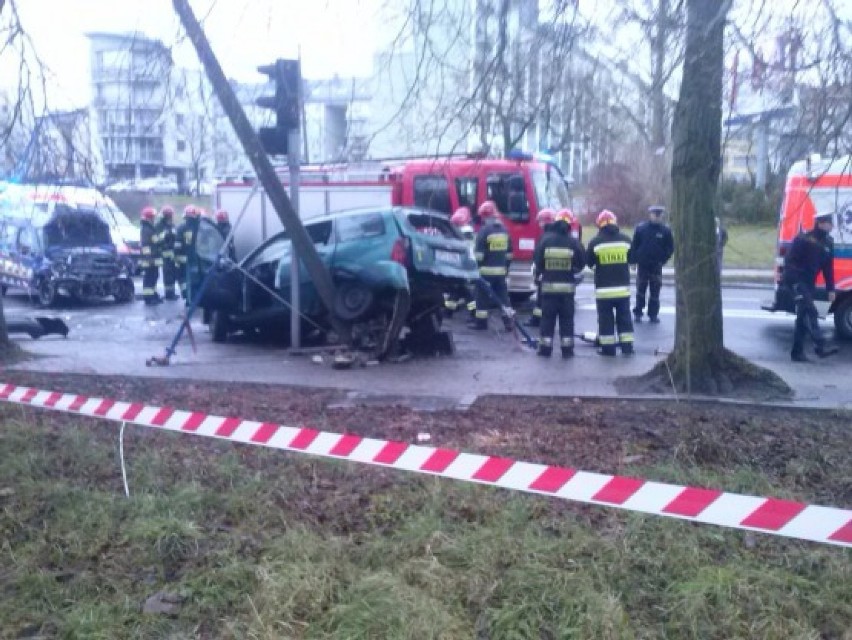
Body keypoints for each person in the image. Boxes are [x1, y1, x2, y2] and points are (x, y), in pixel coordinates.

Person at [783, 211, 839, 362]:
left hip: (809, 283)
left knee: (802, 318)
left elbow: (828, 268)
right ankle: (820, 344)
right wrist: (792, 281)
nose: (831, 225)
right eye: (829, 222)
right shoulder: (803, 239)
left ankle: (797, 353)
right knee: (811, 310)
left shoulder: (828, 243)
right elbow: (789, 261)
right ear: (820, 223)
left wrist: (831, 289)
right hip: (796, 280)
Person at [533, 210, 585, 358]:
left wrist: (546, 271)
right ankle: (567, 350)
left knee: (547, 320)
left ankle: (545, 349)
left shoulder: (545, 240)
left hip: (548, 289)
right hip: (567, 291)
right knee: (567, 320)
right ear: (569, 224)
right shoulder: (573, 242)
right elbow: (581, 263)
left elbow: (537, 262)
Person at [587, 209, 634, 356]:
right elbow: (632, 260)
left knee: (605, 320)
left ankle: (608, 350)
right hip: (623, 290)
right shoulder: (626, 240)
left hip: (603, 291)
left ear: (599, 225)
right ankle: (627, 348)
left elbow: (590, 263)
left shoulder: (595, 242)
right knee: (625, 318)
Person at [472, 200, 513, 331]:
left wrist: (475, 267)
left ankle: (481, 324)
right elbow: (509, 253)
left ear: (484, 216)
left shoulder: (483, 232)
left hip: (485, 272)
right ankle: (509, 323)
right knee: (503, 298)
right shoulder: (504, 231)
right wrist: (505, 267)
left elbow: (479, 256)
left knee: (482, 298)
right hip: (501, 272)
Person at [629, 205, 674, 323]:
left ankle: (653, 314)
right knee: (640, 290)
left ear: (662, 216)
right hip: (643, 265)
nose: (657, 217)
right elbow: (634, 246)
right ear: (650, 215)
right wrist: (633, 262)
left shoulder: (666, 231)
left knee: (655, 292)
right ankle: (638, 312)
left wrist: (663, 259)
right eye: (655, 214)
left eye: (659, 215)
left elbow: (670, 248)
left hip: (656, 266)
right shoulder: (641, 229)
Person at [527, 207, 556, 328]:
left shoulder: (544, 237)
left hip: (545, 274)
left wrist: (537, 274)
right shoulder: (557, 235)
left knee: (541, 299)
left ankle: (536, 321)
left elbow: (538, 258)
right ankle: (538, 320)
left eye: (540, 221)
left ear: (545, 222)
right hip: (558, 274)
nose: (539, 224)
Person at [174, 204, 201, 303]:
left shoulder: (181, 228)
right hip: (197, 259)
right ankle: (195, 297)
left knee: (183, 279)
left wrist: (176, 258)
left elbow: (177, 245)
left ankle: (187, 297)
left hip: (183, 259)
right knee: (196, 278)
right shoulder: (200, 227)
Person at [139, 206, 161, 306]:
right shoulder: (146, 229)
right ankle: (148, 298)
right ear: (149, 218)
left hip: (153, 259)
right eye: (153, 217)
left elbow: (155, 242)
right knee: (149, 278)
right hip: (149, 260)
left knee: (154, 277)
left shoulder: (150, 228)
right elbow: (146, 246)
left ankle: (153, 295)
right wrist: (149, 258)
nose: (154, 219)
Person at [156, 205, 178, 300]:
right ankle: (169, 294)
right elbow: (158, 239)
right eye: (170, 215)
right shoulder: (159, 226)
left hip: (172, 254)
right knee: (168, 275)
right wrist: (167, 235)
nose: (172, 217)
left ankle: (171, 293)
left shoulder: (171, 225)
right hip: (165, 254)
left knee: (172, 275)